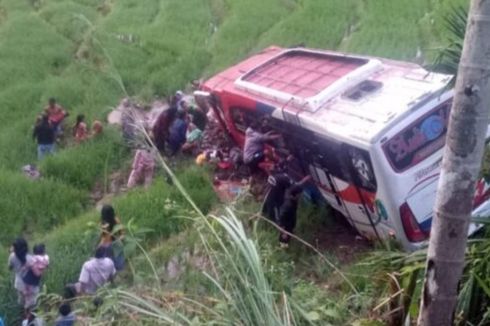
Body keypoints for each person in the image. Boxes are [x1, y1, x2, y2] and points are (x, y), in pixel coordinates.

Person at [22, 244, 49, 310]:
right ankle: (31, 312)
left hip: (28, 281)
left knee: (29, 298)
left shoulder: (33, 259)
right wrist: (42, 269)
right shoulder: (43, 260)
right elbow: (38, 273)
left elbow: (25, 267)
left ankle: (28, 311)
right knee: (33, 299)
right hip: (31, 283)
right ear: (43, 252)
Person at [99, 205, 124, 271]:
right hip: (116, 244)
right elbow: (122, 234)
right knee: (119, 264)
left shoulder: (104, 224)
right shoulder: (115, 220)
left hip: (110, 245)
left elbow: (104, 239)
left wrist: (99, 247)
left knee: (110, 264)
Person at [8, 238, 30, 309]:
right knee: (30, 302)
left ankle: (23, 316)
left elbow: (10, 268)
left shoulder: (12, 256)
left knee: (21, 302)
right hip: (30, 283)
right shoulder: (29, 257)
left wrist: (11, 252)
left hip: (19, 283)